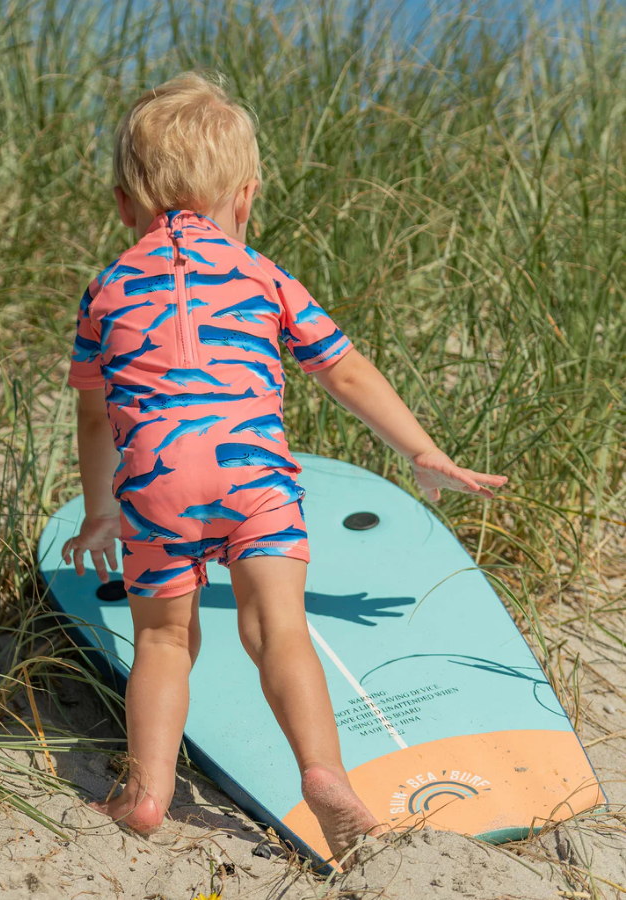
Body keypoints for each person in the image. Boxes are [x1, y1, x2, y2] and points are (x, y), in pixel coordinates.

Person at [61, 71, 508, 864]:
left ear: (124, 206)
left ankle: (148, 791)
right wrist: (423, 451)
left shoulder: (108, 287)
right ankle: (324, 774)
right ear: (246, 197)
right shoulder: (260, 273)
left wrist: (101, 510)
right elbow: (344, 371)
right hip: (255, 479)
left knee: (163, 643)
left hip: (157, 485)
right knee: (279, 631)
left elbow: (94, 413)